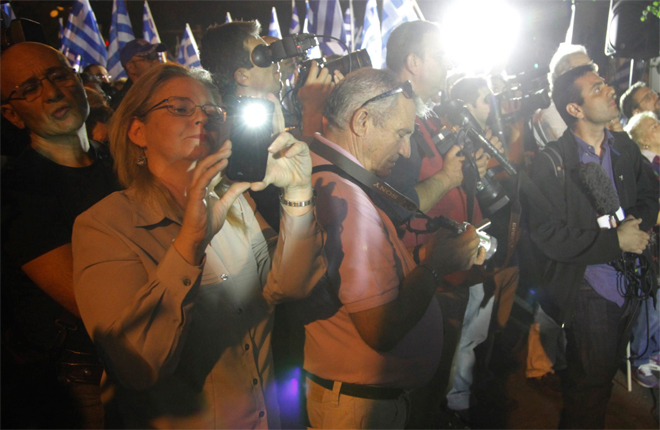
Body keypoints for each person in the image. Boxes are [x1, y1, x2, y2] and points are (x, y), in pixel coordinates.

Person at [71, 63, 326, 429]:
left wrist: (298, 192)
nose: (201, 118)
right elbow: (137, 368)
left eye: (212, 111)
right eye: (179, 108)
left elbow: (291, 287)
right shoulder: (105, 225)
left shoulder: (235, 203)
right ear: (137, 131)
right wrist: (190, 243)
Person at [290, 67, 485, 429]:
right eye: (401, 134)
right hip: (361, 410)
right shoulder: (345, 196)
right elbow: (380, 328)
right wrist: (435, 267)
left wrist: (422, 258)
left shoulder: (330, 175)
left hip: (356, 400)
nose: (407, 150)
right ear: (362, 121)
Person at [373, 21, 503, 428]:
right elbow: (392, 203)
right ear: (413, 62)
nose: (449, 64)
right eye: (441, 56)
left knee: (435, 383)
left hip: (445, 272)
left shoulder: (425, 114)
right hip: (420, 277)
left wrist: (465, 171)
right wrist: (447, 176)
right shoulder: (392, 116)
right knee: (418, 392)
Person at [525, 63, 658, 428]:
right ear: (575, 109)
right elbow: (547, 234)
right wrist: (614, 241)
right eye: (597, 89)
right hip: (588, 289)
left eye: (605, 84)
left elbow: (649, 194)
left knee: (602, 377)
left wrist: (635, 227)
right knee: (588, 389)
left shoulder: (623, 147)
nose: (609, 90)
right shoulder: (553, 162)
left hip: (628, 284)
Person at [0, 42, 120, 429]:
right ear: (11, 113)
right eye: (30, 88)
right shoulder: (18, 193)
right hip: (86, 386)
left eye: (58, 75)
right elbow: (93, 304)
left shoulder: (121, 162)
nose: (52, 92)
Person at [624, 111, 660, 388]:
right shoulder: (643, 168)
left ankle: (655, 350)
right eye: (655, 126)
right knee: (652, 303)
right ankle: (640, 357)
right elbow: (646, 211)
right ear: (643, 139)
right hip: (649, 246)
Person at [532, 44, 592, 147]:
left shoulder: (588, 103)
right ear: (562, 79)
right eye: (583, 71)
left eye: (591, 67)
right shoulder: (550, 112)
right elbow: (578, 151)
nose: (593, 75)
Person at [112, 38, 166, 109]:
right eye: (148, 58)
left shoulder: (165, 91)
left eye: (156, 56)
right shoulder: (124, 104)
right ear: (131, 68)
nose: (156, 61)